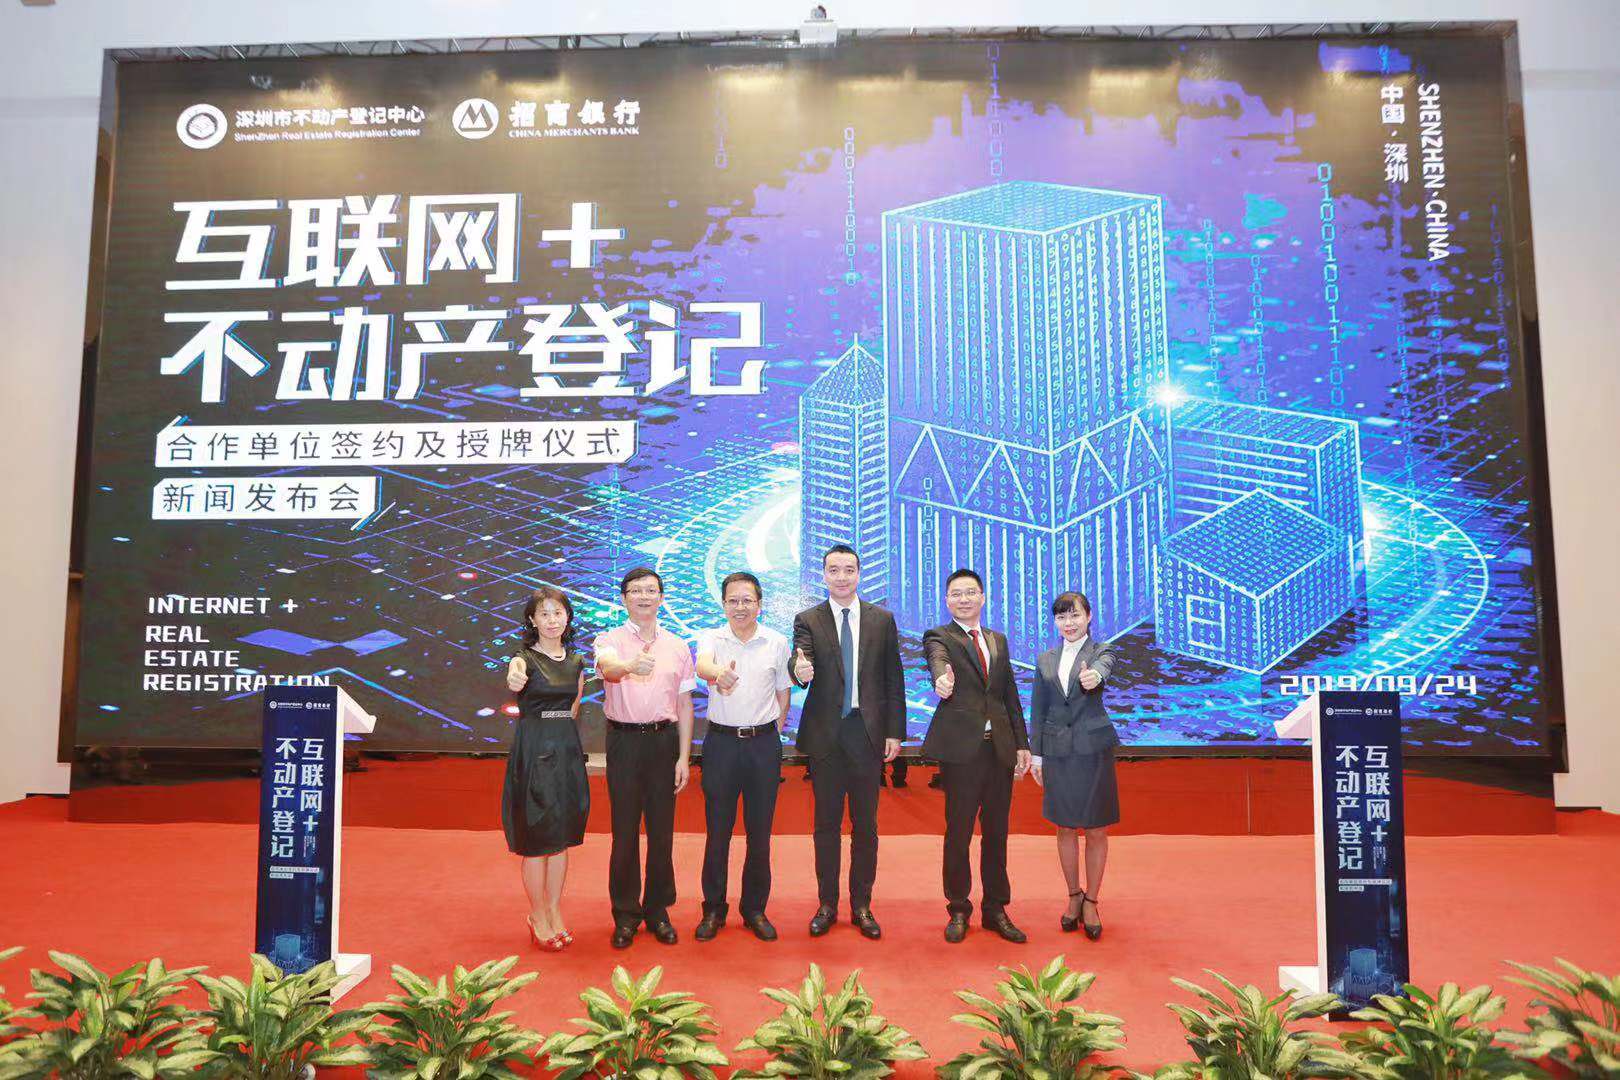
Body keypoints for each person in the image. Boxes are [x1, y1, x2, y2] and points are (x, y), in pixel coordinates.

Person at [790, 544, 904, 940]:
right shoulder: (808, 619)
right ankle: (827, 904)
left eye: (848, 570)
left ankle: (862, 905)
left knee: (865, 825)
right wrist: (799, 670)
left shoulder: (881, 619)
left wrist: (894, 731)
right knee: (826, 823)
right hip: (827, 734)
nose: (841, 577)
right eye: (834, 570)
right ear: (823, 575)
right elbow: (799, 660)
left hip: (866, 733)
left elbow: (893, 678)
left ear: (859, 574)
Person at [921, 569, 1031, 944]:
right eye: (956, 593)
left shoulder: (997, 639)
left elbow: (1008, 694)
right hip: (962, 751)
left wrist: (1021, 743)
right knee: (959, 832)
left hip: (998, 749)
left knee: (997, 832)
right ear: (947, 600)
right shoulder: (940, 636)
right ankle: (958, 908)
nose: (964, 599)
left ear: (982, 597)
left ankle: (996, 909)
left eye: (970, 592)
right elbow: (937, 661)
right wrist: (942, 680)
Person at [594, 567, 695, 948]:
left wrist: (683, 757)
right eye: (635, 591)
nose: (643, 597)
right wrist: (629, 666)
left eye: (651, 590)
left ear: (661, 598)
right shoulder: (610, 639)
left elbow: (684, 705)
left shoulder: (677, 646)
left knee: (661, 832)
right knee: (624, 833)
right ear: (624, 598)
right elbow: (608, 670)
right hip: (624, 741)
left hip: (663, 742)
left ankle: (657, 910)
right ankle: (625, 914)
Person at [693, 571, 791, 942]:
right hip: (721, 744)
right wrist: (718, 673)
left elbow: (783, 692)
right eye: (733, 600)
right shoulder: (712, 638)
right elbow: (703, 666)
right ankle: (713, 909)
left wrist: (772, 729)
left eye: (747, 600)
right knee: (717, 833)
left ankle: (755, 909)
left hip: (763, 745)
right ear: (723, 604)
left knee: (759, 833)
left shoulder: (776, 642)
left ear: (759, 604)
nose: (740, 607)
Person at [502, 586, 589, 951]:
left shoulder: (577, 661)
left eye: (558, 612)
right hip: (535, 751)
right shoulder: (522, 658)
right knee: (538, 841)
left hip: (566, 751)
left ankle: (554, 910)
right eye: (544, 613)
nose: (552, 620)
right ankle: (537, 914)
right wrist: (514, 677)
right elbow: (514, 675)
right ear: (532, 619)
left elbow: (573, 709)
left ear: (567, 617)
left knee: (561, 839)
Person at [1029, 591, 1119, 940]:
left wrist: (1094, 676)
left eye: (1075, 615)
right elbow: (1038, 710)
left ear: (1089, 616)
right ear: (1055, 622)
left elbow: (1103, 669)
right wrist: (1036, 755)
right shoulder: (1045, 659)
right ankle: (1073, 895)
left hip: (1092, 750)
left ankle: (1092, 900)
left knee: (1096, 829)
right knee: (1064, 827)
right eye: (1062, 617)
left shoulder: (1101, 651)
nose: (1069, 623)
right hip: (1057, 752)